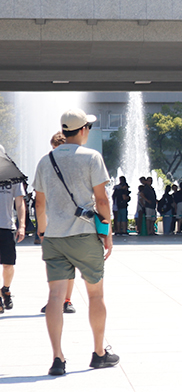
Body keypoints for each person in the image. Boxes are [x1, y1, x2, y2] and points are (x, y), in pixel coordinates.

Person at [33, 108, 118, 376]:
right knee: (96, 294)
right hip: (84, 235)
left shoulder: (45, 161)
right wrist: (107, 234)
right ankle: (99, 353)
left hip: (55, 238)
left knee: (56, 297)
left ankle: (57, 358)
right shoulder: (92, 157)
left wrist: (43, 232)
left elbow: (39, 202)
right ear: (82, 130)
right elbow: (102, 200)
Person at [39, 132, 76, 315]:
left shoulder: (47, 163)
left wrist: (41, 228)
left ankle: (55, 300)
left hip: (53, 224)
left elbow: (40, 201)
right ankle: (66, 301)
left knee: (53, 264)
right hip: (74, 224)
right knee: (69, 264)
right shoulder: (77, 163)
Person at [0, 144, 26, 313]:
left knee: (8, 265)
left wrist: (22, 225)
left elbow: (20, 202)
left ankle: (5, 289)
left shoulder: (13, 176)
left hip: (7, 226)